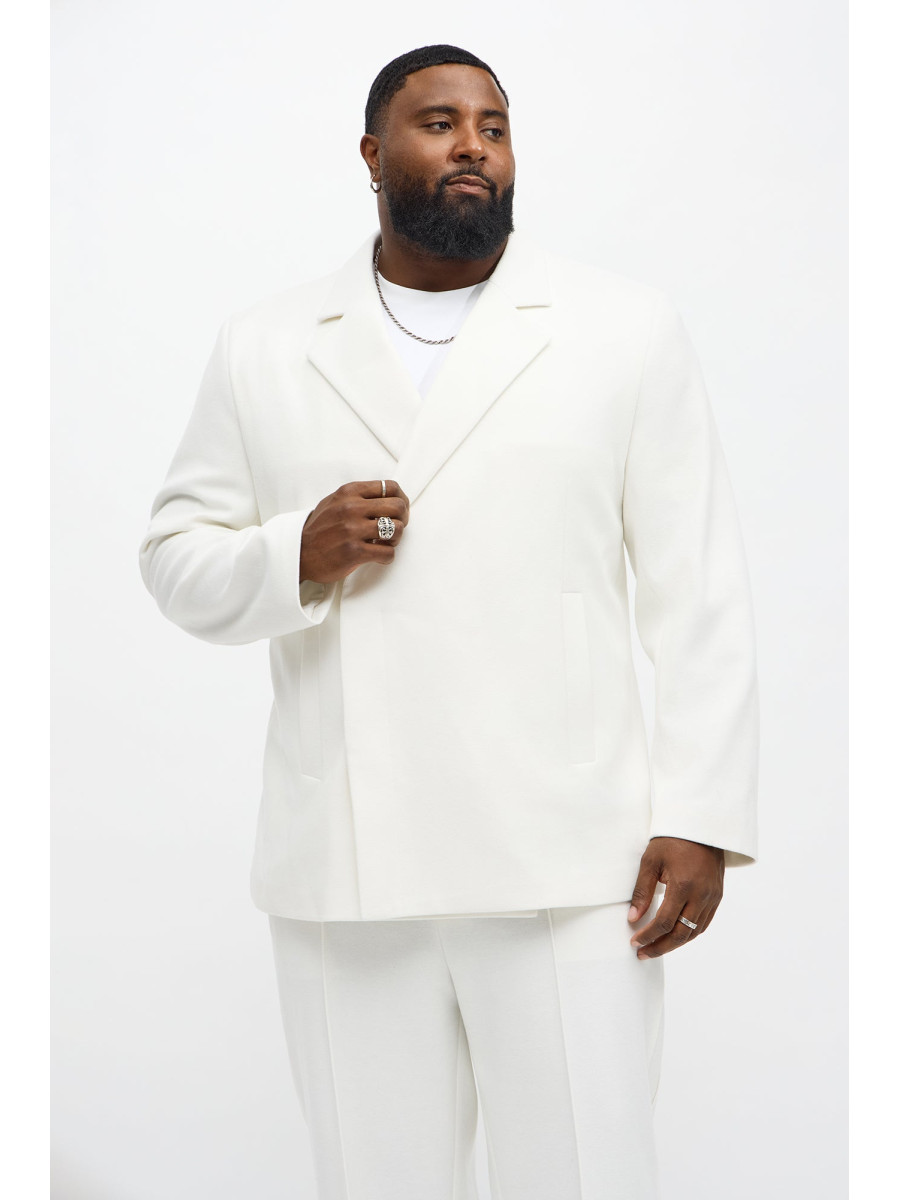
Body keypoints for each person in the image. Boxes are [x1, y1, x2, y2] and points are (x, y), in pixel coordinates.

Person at [139, 43, 759, 1200]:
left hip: (572, 858)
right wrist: (295, 551)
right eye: (439, 123)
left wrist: (702, 815)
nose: (474, 144)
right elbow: (173, 558)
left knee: (588, 1177)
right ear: (372, 155)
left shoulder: (622, 328)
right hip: (348, 861)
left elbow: (700, 590)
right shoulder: (267, 343)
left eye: (494, 125)